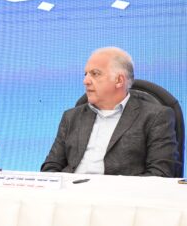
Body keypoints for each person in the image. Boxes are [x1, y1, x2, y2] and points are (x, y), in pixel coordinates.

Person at [41, 47, 179, 177]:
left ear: (119, 80)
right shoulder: (71, 117)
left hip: (121, 193)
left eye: (95, 74)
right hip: (71, 191)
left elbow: (160, 173)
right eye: (86, 74)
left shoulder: (155, 117)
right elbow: (51, 167)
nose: (85, 81)